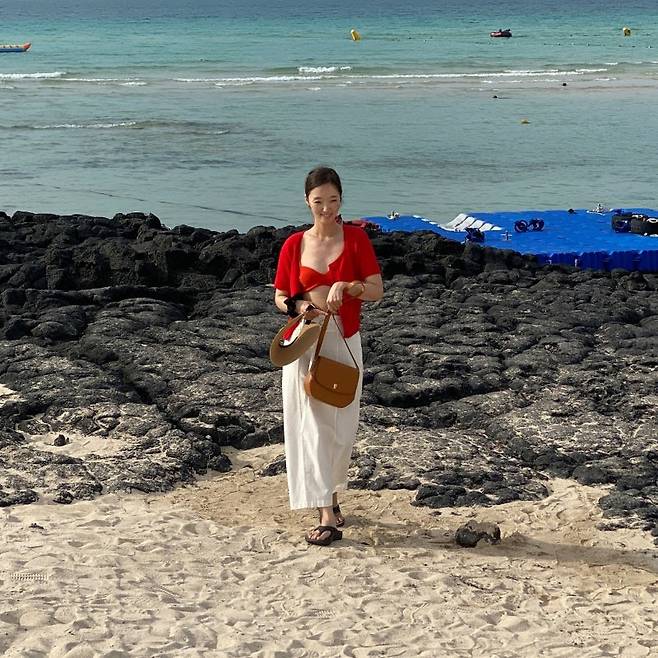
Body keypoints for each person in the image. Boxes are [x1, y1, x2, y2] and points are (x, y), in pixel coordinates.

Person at [273, 166, 383, 546]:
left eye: (332, 200)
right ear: (307, 201)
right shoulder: (294, 244)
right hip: (305, 340)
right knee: (311, 427)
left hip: (343, 339)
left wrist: (348, 287)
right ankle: (325, 513)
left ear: (341, 200)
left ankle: (332, 497)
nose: (326, 208)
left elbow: (376, 290)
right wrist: (300, 306)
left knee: (340, 429)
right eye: (318, 201)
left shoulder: (356, 240)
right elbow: (280, 296)